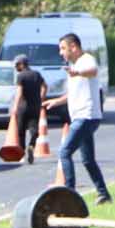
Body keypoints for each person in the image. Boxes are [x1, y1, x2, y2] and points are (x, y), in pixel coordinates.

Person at [42, 33, 111, 204]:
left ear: (73, 46)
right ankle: (104, 194)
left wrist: (77, 72)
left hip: (86, 116)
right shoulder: (74, 66)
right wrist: (57, 101)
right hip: (82, 117)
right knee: (88, 160)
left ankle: (70, 194)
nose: (61, 53)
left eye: (63, 48)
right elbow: (73, 92)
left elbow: (93, 71)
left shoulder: (86, 60)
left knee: (64, 153)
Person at [10, 54, 46, 164]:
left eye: (16, 65)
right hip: (35, 107)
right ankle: (31, 145)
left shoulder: (21, 76)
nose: (16, 68)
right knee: (34, 130)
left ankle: (22, 154)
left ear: (21, 64)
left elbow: (19, 93)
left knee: (21, 131)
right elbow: (45, 86)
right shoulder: (36, 74)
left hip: (23, 107)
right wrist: (41, 98)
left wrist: (15, 107)